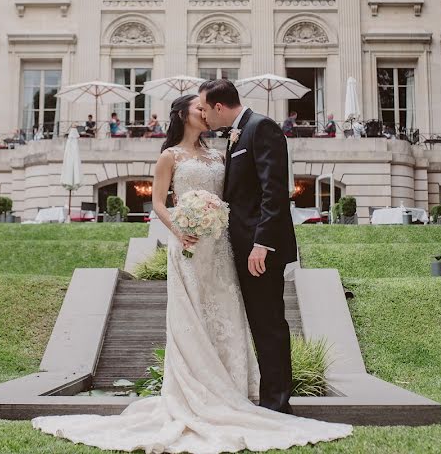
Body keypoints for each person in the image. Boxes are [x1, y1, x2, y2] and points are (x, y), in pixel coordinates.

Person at [32, 88, 352, 451]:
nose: (203, 113)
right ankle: (206, 395)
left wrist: (257, 240)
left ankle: (253, 396)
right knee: (199, 323)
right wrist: (180, 227)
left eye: (205, 106)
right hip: (194, 250)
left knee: (244, 322)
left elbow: (264, 192)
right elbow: (158, 202)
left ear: (216, 106)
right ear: (184, 115)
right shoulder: (172, 155)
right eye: (196, 108)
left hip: (229, 250)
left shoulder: (231, 145)